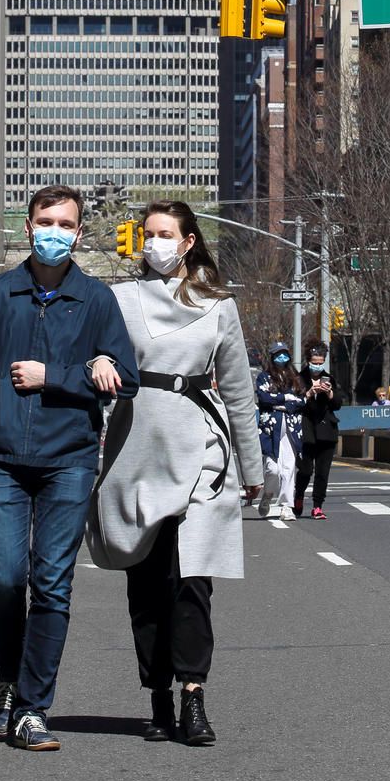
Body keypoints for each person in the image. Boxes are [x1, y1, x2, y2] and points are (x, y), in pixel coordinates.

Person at [0, 184, 139, 753]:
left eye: (65, 224)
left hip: (69, 461)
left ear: (79, 233)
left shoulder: (96, 299)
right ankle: (10, 675)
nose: (55, 232)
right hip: (1, 460)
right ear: (27, 229)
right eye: (46, 222)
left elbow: (127, 378)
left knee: (52, 584)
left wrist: (60, 376)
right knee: (3, 578)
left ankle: (31, 708)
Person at [88, 201, 262, 747]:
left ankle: (193, 694)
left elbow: (239, 390)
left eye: (165, 234)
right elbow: (89, 354)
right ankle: (158, 696)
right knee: (145, 583)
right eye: (148, 234)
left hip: (203, 450)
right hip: (137, 449)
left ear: (188, 243)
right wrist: (97, 362)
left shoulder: (219, 305)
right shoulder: (118, 299)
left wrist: (252, 465)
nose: (153, 243)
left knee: (192, 581)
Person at [293, 338, 342, 521]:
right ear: (308, 361)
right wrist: (309, 393)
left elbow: (338, 404)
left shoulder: (329, 379)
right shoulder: (299, 379)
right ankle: (298, 495)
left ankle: (317, 506)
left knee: (323, 472)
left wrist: (329, 392)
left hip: (327, 431)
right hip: (306, 429)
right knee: (305, 470)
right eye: (315, 363)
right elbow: (293, 402)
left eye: (321, 363)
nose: (318, 366)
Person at [255, 341, 304, 520]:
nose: (282, 357)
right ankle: (268, 494)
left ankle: (286, 506)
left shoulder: (295, 378)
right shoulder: (264, 377)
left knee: (288, 468)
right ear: (272, 357)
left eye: (284, 354)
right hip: (270, 429)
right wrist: (285, 398)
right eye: (278, 354)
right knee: (272, 469)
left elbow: (301, 400)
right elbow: (264, 397)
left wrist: (283, 403)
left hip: (292, 427)